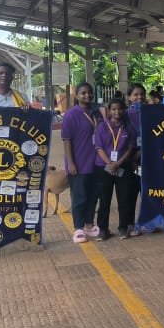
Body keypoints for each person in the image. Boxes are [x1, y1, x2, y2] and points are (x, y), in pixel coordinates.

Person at [63, 82, 101, 243]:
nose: (87, 95)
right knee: (79, 197)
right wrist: (70, 163)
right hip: (79, 163)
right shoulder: (71, 114)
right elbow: (66, 139)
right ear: (77, 96)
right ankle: (78, 228)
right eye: (83, 93)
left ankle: (89, 225)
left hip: (96, 163)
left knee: (93, 196)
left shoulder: (97, 113)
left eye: (90, 92)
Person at [93, 97, 135, 241]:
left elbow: (130, 148)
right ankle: (103, 229)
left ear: (124, 110)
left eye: (120, 109)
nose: (117, 112)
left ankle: (123, 228)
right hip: (104, 166)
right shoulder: (102, 127)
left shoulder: (128, 127)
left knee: (124, 198)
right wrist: (110, 163)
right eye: (114, 109)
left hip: (122, 166)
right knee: (104, 199)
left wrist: (118, 164)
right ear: (109, 111)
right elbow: (99, 148)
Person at [118, 84, 146, 239]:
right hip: (129, 159)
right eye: (135, 95)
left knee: (147, 191)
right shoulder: (124, 115)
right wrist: (132, 157)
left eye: (142, 94)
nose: (139, 98)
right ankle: (129, 224)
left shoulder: (150, 112)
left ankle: (148, 221)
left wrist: (141, 152)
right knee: (130, 193)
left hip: (147, 157)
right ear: (129, 97)